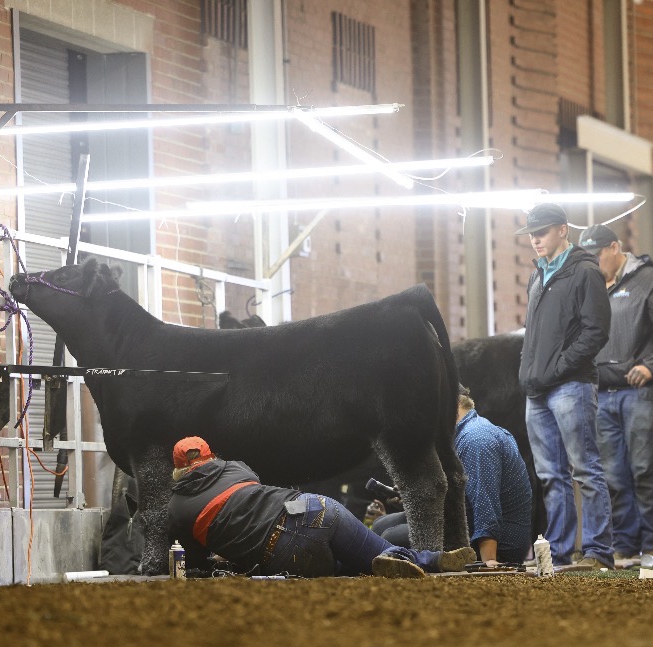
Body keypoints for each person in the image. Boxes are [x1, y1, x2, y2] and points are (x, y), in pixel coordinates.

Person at [166, 437, 477, 578]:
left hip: (281, 554)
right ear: (211, 456)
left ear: (178, 469)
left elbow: (192, 561)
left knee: (348, 568)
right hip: (313, 510)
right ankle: (430, 559)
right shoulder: (236, 468)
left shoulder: (178, 508)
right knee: (374, 548)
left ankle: (381, 564)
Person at [581, 223, 653, 567]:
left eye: (598, 255)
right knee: (613, 474)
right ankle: (624, 546)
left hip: (643, 392)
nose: (595, 263)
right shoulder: (593, 289)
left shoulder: (651, 283)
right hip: (604, 394)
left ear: (615, 248)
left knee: (645, 469)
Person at [516, 203, 615, 570]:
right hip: (539, 390)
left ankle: (598, 553)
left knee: (585, 470)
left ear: (562, 230)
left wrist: (556, 367)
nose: (535, 239)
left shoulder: (585, 272)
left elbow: (596, 332)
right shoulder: (537, 276)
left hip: (570, 385)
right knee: (551, 476)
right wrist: (531, 371)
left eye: (541, 232)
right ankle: (557, 553)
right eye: (531, 233)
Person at [372, 385, 533, 566]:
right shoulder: (458, 437)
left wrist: (490, 562)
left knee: (391, 536)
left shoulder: (476, 439)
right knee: (380, 526)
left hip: (497, 546)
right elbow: (457, 495)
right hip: (465, 522)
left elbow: (485, 507)